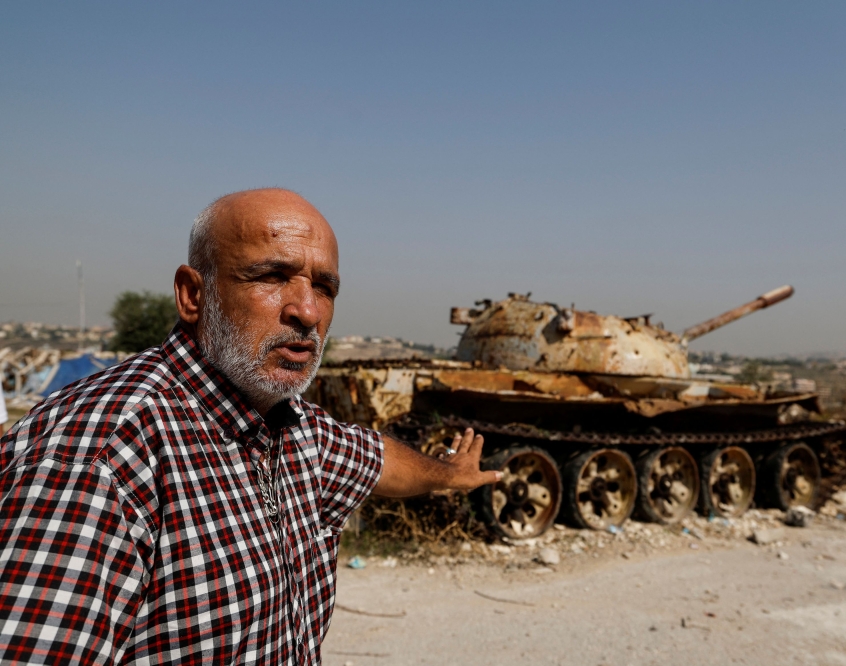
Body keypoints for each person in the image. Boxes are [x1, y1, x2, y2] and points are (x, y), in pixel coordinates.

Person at [0, 188, 500, 665]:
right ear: (193, 294)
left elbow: (376, 461)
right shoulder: (104, 456)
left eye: (324, 287)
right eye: (272, 276)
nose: (307, 311)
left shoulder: (291, 426)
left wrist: (448, 474)